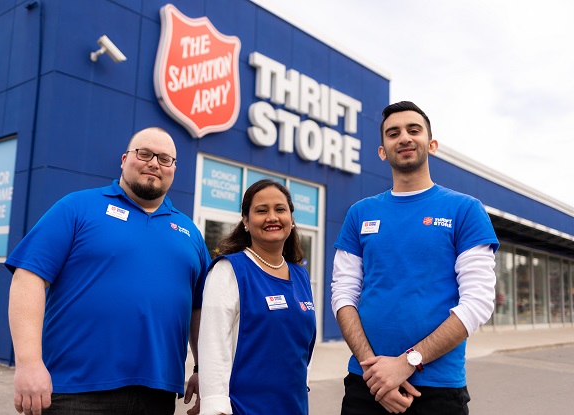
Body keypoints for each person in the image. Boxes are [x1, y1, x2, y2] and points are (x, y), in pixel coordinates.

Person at [6, 127, 211, 415]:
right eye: (145, 154)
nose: (154, 163)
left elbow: (199, 310)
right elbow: (27, 279)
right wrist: (28, 363)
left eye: (165, 159)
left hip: (158, 395)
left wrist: (204, 369)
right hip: (74, 391)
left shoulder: (190, 232)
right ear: (125, 159)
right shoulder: (77, 207)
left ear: (174, 169)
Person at [332, 101, 499, 414]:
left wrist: (407, 362)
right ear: (383, 151)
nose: (404, 138)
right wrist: (376, 373)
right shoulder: (359, 214)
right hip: (366, 384)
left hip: (437, 391)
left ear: (431, 144)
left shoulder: (465, 210)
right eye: (393, 133)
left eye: (414, 130)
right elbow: (343, 296)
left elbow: (478, 301)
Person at [198, 179, 316, 415]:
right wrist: (215, 405)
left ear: (291, 219)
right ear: (246, 221)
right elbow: (213, 345)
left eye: (280, 209)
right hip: (243, 407)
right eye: (261, 211)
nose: (272, 217)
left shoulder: (301, 275)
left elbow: (301, 348)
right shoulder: (229, 270)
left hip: (293, 406)